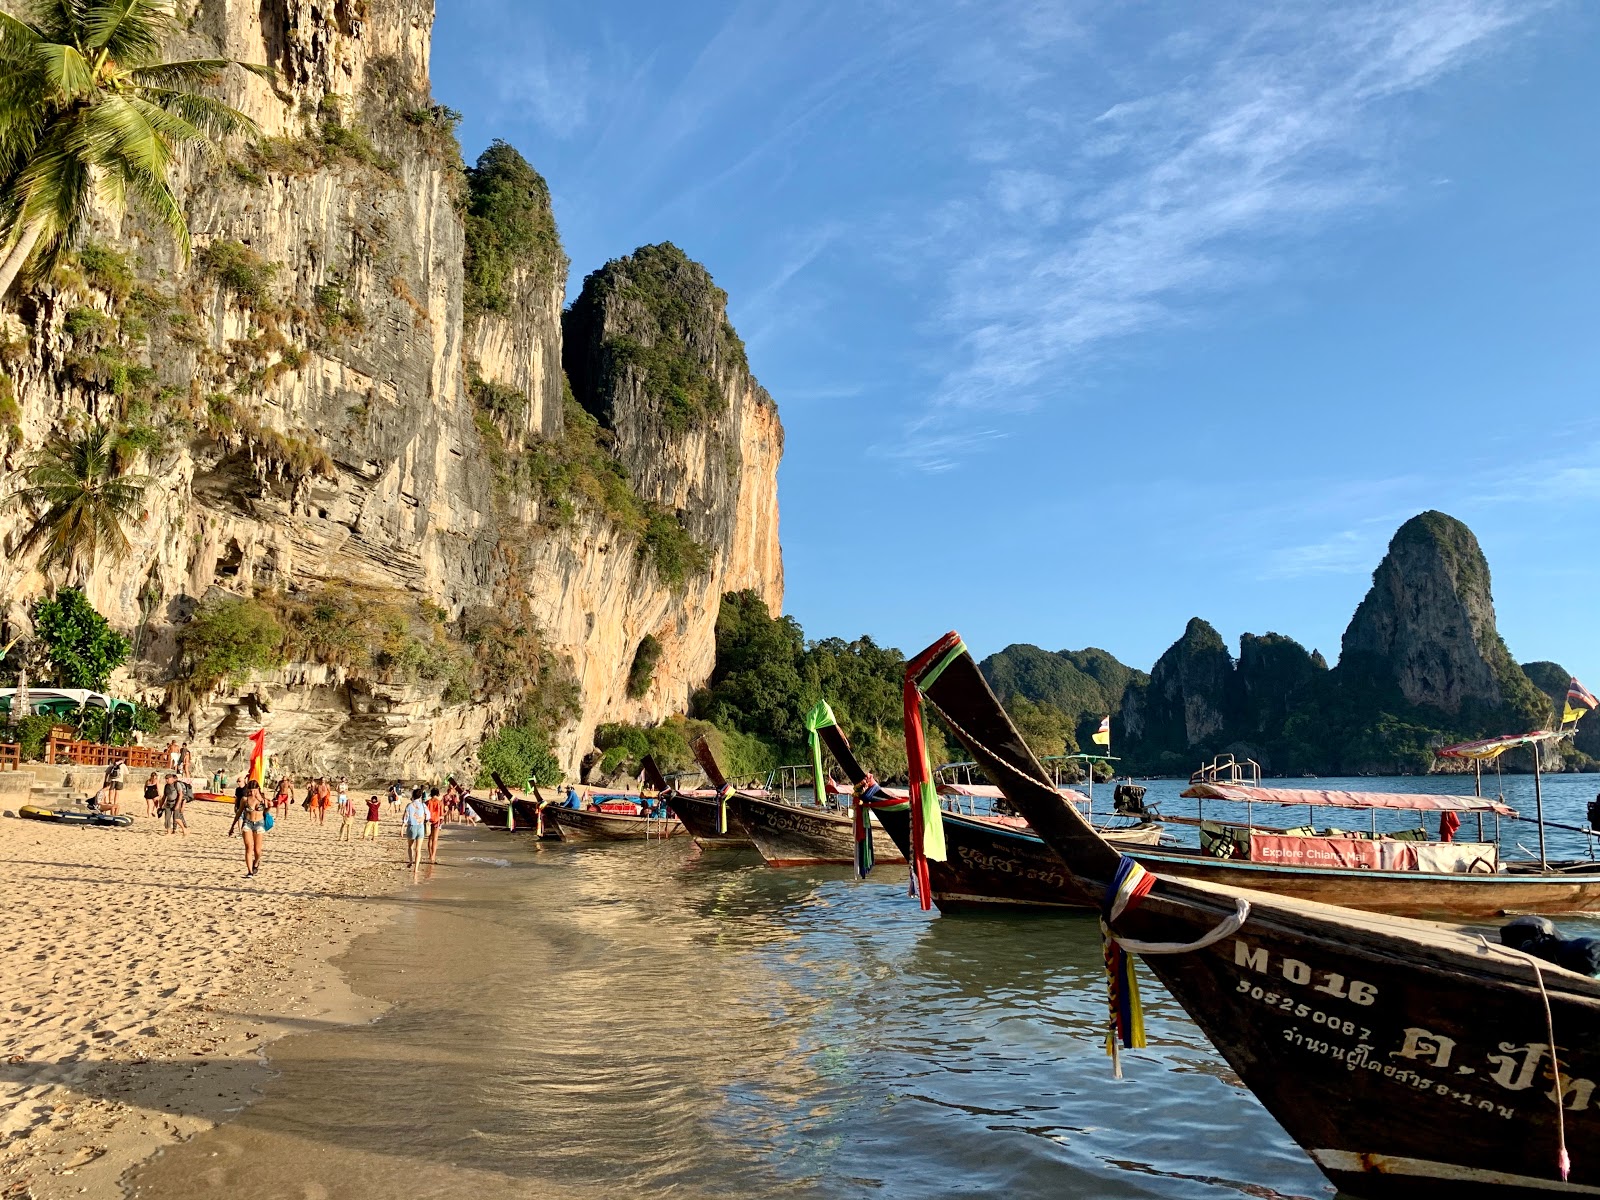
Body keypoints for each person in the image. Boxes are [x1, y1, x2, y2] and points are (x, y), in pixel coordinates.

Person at [229, 779, 269, 877]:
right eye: (250, 790)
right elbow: (239, 813)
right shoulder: (245, 799)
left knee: (258, 851)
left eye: (253, 790)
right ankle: (250, 871)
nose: (251, 793)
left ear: (258, 789)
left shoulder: (263, 799)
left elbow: (267, 811)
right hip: (247, 823)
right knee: (248, 847)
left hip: (259, 824)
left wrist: (265, 803)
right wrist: (232, 826)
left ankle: (256, 863)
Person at [402, 790, 429, 879]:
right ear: (421, 796)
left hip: (411, 827)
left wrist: (402, 828)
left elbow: (406, 818)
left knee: (410, 846)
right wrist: (423, 819)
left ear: (413, 796)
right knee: (418, 849)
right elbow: (428, 816)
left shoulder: (409, 805)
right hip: (420, 827)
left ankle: (410, 860)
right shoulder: (423, 805)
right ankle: (416, 869)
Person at [160, 772, 187, 836]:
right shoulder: (166, 786)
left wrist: (178, 805)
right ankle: (168, 832)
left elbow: (180, 795)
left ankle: (184, 829)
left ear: (171, 779)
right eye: (166, 779)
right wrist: (161, 805)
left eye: (168, 779)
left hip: (175, 802)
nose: (166, 780)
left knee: (176, 818)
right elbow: (164, 796)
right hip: (168, 803)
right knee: (167, 818)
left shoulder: (176, 784)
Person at [425, 787, 444, 864]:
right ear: (438, 794)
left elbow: (425, 813)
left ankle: (430, 855)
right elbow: (442, 815)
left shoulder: (427, 802)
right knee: (435, 840)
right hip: (436, 821)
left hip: (429, 821)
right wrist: (441, 821)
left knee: (429, 839)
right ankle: (433, 856)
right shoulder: (440, 802)